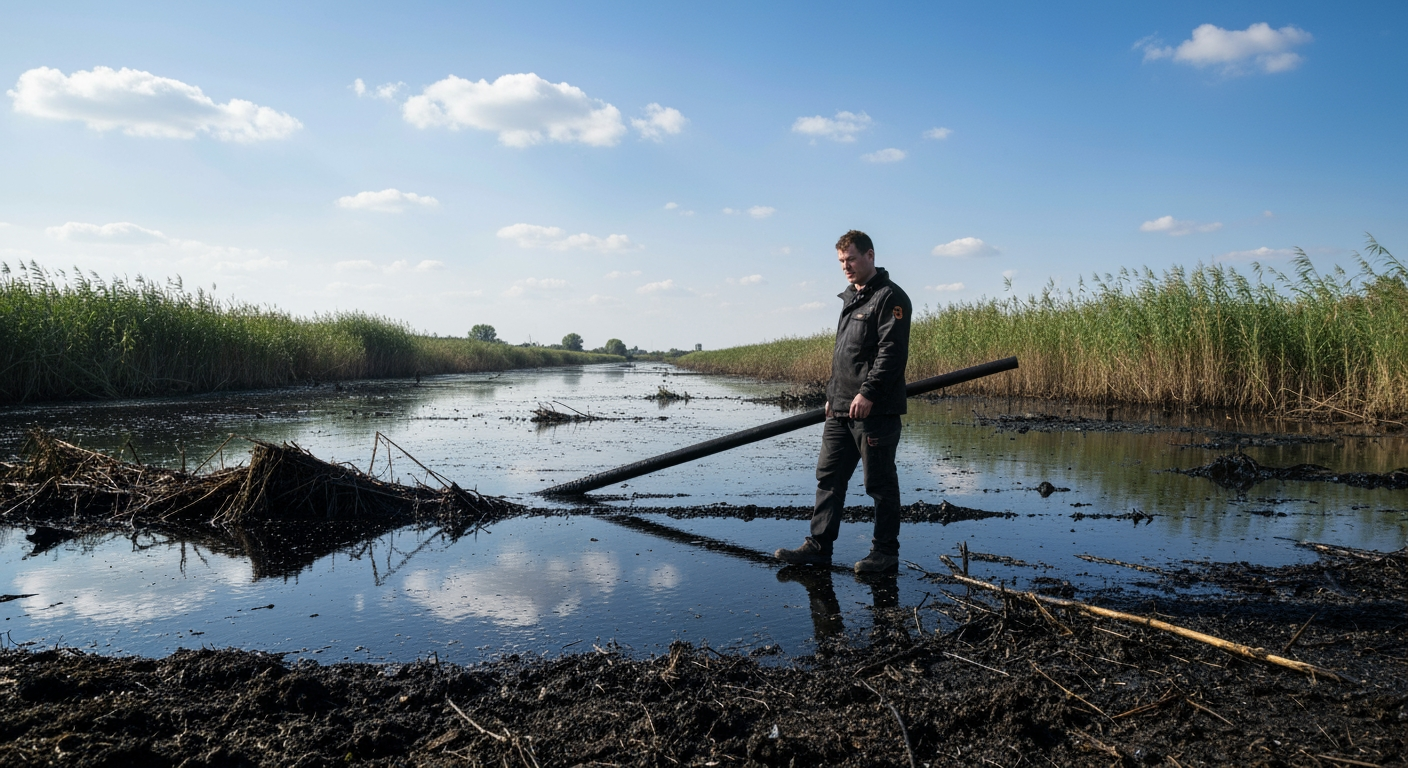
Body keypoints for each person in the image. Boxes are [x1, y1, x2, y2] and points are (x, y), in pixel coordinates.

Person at [776, 230, 912, 573]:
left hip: (873, 411)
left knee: (879, 483)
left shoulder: (889, 297)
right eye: (841, 261)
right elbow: (845, 356)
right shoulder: (852, 298)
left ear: (870, 255)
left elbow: (891, 353)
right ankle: (818, 546)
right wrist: (831, 396)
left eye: (850, 259)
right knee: (829, 477)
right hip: (839, 409)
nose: (845, 266)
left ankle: (884, 554)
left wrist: (868, 393)